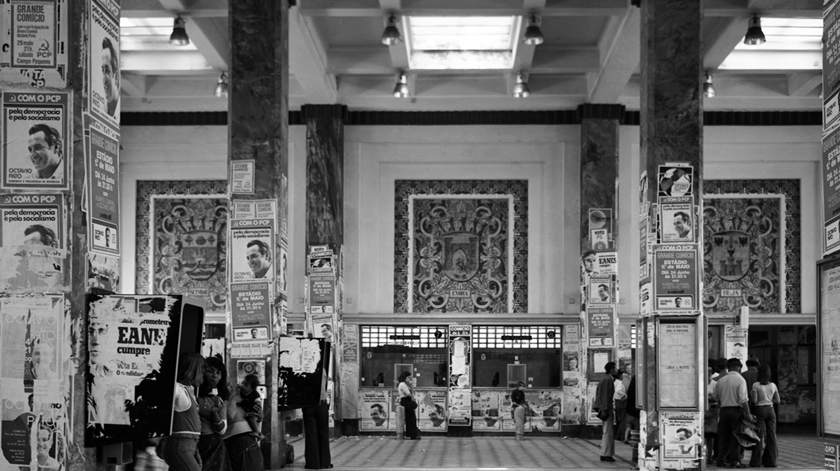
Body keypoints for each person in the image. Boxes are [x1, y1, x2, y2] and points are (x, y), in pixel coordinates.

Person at [162, 352, 205, 471]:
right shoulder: (177, 389)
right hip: (180, 447)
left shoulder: (188, 390)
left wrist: (195, 452)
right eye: (201, 369)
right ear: (193, 370)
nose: (203, 373)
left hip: (187, 447)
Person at [712, 357, 754, 468]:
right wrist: (748, 413)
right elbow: (743, 399)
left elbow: (715, 396)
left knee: (723, 436)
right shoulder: (740, 380)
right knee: (736, 437)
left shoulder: (720, 380)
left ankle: (721, 460)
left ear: (729, 368)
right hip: (736, 410)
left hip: (724, 410)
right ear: (739, 368)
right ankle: (734, 461)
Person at [223, 372, 265, 471]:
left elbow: (257, 413)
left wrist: (260, 416)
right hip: (235, 440)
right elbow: (230, 415)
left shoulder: (244, 397)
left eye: (231, 384)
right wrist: (233, 400)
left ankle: (258, 432)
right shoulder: (231, 399)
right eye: (229, 385)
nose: (233, 387)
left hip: (246, 440)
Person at [196, 356, 230, 471]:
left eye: (218, 372)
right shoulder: (193, 393)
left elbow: (222, 430)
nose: (214, 375)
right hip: (192, 443)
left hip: (213, 446)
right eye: (210, 371)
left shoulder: (220, 399)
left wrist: (215, 413)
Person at [300, 368, 331, 469]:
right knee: (323, 433)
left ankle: (313, 463)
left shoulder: (303, 368)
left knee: (311, 434)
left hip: (308, 403)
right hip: (321, 403)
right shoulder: (322, 369)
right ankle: (325, 462)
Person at [749, 364, 779, 468]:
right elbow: (778, 400)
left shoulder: (756, 385)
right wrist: (769, 400)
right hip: (771, 410)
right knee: (771, 436)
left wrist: (751, 394)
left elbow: (754, 400)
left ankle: (756, 461)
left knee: (759, 435)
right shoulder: (773, 385)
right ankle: (771, 461)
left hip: (760, 410)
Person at [594, 362, 619, 462]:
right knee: (607, 432)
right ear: (611, 370)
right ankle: (605, 453)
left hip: (607, 407)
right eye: (615, 369)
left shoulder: (608, 379)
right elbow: (604, 395)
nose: (616, 370)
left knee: (608, 431)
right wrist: (604, 409)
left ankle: (607, 453)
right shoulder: (607, 380)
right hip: (606, 408)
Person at [236, 374, 264, 440]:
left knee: (252, 419)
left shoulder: (255, 394)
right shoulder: (239, 393)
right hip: (245, 413)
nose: (242, 386)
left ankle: (256, 432)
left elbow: (258, 404)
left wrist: (258, 413)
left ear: (251, 389)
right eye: (242, 383)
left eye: (246, 385)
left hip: (253, 412)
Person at [398, 371, 420, 440]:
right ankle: (412, 435)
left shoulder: (405, 384)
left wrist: (410, 385)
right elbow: (408, 393)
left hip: (407, 401)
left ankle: (413, 434)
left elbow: (410, 392)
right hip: (406, 401)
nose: (409, 379)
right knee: (411, 417)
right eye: (408, 377)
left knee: (411, 417)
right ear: (404, 377)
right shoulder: (402, 384)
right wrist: (413, 398)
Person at [101, 37, 120, 117]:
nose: (104, 79)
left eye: (107, 71)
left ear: (116, 76)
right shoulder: (101, 111)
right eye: (102, 71)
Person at [613, 370, 627, 436]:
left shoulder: (615, 382)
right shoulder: (619, 382)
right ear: (620, 376)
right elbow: (618, 391)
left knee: (619, 419)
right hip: (620, 401)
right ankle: (621, 434)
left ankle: (618, 434)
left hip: (617, 402)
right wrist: (624, 395)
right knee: (622, 419)